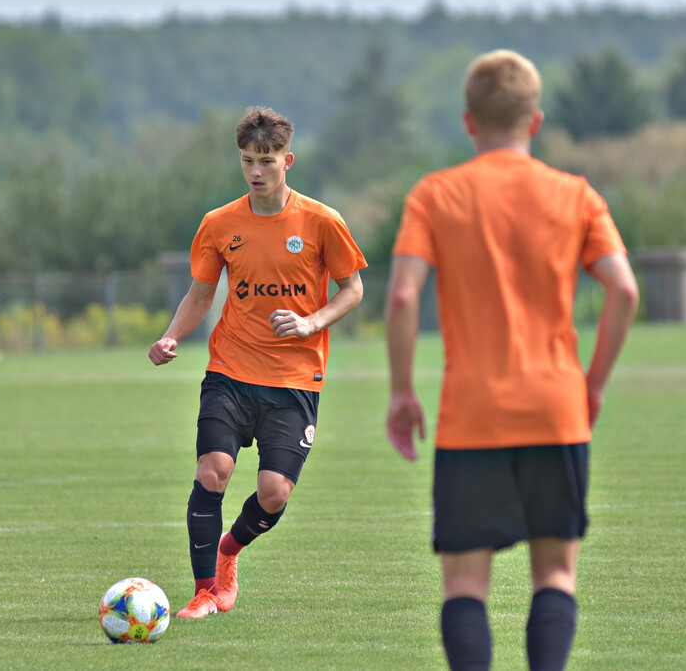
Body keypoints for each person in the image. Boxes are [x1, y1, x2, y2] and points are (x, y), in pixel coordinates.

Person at [384, 50, 639, 670]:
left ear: (469, 122)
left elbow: (401, 296)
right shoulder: (575, 195)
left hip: (472, 416)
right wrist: (594, 385)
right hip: (556, 409)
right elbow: (625, 290)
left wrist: (401, 392)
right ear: (536, 120)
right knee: (554, 573)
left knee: (465, 585)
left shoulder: (435, 194)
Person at [149, 106, 367, 619]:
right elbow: (201, 296)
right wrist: (170, 336)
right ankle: (204, 592)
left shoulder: (321, 221)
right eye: (248, 160)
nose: (255, 171)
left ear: (287, 160)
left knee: (272, 492)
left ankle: (230, 550)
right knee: (214, 470)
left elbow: (353, 289)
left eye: (266, 161)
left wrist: (313, 322)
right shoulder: (219, 224)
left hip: (294, 379)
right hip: (230, 370)